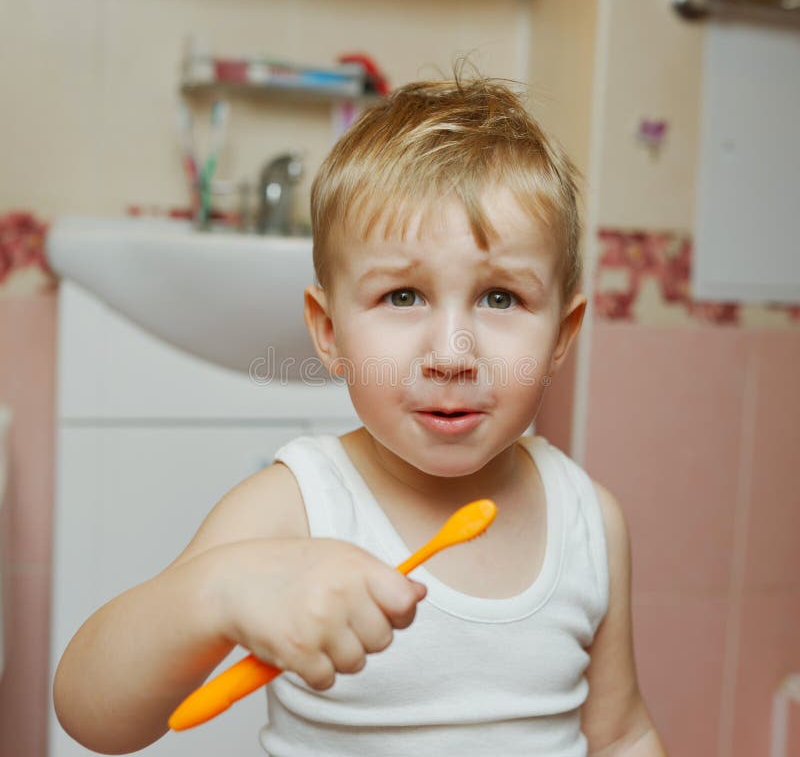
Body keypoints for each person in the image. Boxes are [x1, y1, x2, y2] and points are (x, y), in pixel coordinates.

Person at [54, 72, 667, 756]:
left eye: (499, 299)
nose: (452, 354)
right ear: (328, 330)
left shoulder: (589, 520)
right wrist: (217, 592)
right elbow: (90, 714)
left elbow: (620, 734)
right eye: (403, 296)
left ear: (561, 334)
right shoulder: (298, 508)